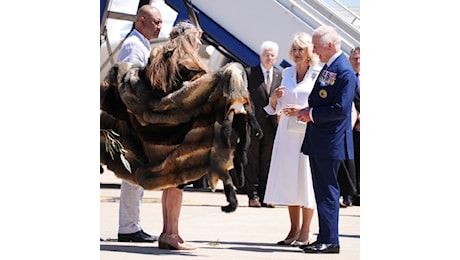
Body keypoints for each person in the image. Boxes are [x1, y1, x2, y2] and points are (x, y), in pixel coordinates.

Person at [146, 21, 206, 250]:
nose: (199, 42)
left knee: (170, 183)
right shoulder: (184, 62)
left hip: (166, 129)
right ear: (186, 38)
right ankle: (172, 233)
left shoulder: (164, 58)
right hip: (179, 130)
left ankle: (168, 232)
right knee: (177, 183)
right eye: (196, 38)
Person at [297, 25, 356, 254]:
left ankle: (330, 240)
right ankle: (324, 236)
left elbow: (341, 109)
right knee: (322, 190)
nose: (314, 50)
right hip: (321, 139)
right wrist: (308, 110)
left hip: (330, 141)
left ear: (330, 45)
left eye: (317, 46)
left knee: (328, 190)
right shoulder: (330, 66)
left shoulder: (343, 70)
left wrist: (311, 114)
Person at [263, 32, 321, 247]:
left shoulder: (318, 74)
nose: (297, 53)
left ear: (310, 52)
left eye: (301, 49)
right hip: (287, 134)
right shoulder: (286, 73)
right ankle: (293, 230)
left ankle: (305, 231)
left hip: (308, 133)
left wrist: (303, 110)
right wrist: (274, 97)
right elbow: (272, 108)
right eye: (294, 49)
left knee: (306, 181)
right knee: (290, 181)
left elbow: (320, 106)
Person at [116, 4, 162, 243]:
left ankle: (131, 225)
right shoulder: (134, 46)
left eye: (161, 22)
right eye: (155, 22)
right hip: (134, 119)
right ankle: (128, 228)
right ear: (140, 21)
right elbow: (132, 85)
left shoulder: (140, 44)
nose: (159, 27)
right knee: (134, 177)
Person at [243, 41, 282, 208]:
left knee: (268, 160)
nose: (269, 57)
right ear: (260, 56)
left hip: (272, 124)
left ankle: (267, 195)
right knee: (252, 160)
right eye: (266, 54)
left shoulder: (280, 76)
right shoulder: (250, 73)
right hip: (254, 123)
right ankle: (253, 195)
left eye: (272, 55)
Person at [349, 46, 360, 206]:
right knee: (351, 160)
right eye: (354, 59)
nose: (357, 62)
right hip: (351, 125)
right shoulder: (347, 77)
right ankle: (352, 194)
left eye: (360, 59)